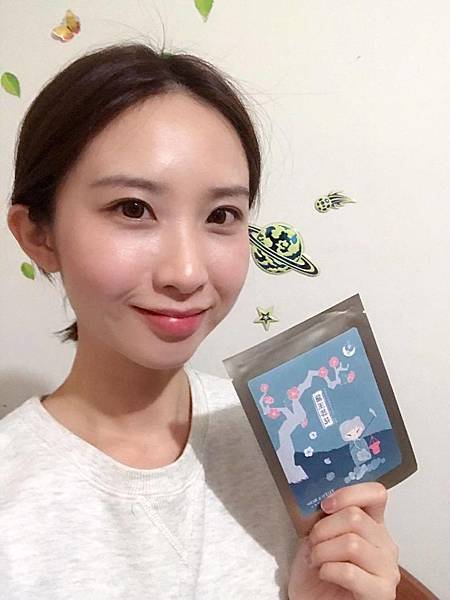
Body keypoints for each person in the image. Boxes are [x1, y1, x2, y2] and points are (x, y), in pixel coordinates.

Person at [3, 42, 400, 599]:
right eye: (133, 208)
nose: (187, 273)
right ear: (39, 235)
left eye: (221, 215)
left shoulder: (290, 439)